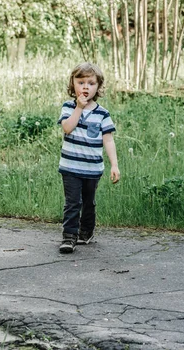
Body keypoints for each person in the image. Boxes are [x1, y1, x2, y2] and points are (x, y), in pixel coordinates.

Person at [57, 62, 120, 254]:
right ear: (73, 84)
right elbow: (67, 128)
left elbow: (108, 140)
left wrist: (114, 165)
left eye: (91, 83)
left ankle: (86, 232)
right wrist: (79, 108)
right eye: (81, 82)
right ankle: (69, 236)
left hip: (92, 169)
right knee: (72, 202)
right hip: (70, 167)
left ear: (98, 87)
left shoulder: (102, 114)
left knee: (88, 202)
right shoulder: (68, 107)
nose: (85, 87)